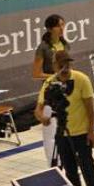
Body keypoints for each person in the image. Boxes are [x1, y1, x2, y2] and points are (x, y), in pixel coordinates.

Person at [36, 52, 94, 186]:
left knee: (88, 169)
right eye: (61, 65)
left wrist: (91, 131)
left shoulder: (81, 79)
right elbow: (38, 109)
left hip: (81, 134)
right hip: (62, 134)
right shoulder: (50, 83)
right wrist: (43, 118)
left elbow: (90, 109)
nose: (65, 67)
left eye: (67, 64)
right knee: (70, 170)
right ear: (54, 65)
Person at [33, 15, 70, 164]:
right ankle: (52, 163)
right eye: (58, 26)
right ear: (50, 28)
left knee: (66, 128)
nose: (62, 29)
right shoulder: (43, 48)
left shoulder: (65, 44)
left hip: (65, 91)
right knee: (50, 131)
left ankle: (67, 159)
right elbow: (36, 74)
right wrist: (56, 76)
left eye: (63, 25)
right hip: (50, 92)